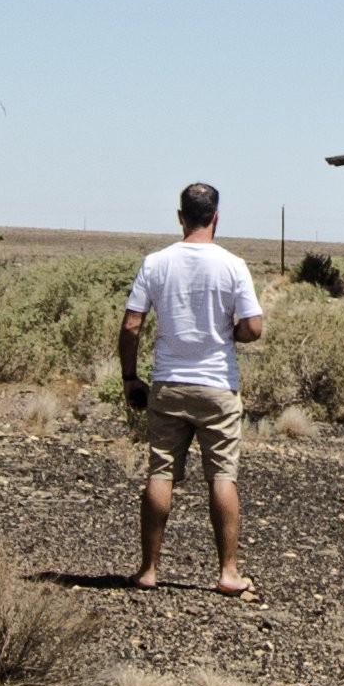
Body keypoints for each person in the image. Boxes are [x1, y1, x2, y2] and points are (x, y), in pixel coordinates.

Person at [121, 181, 266, 593]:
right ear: (215, 217)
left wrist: (131, 378)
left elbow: (132, 324)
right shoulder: (233, 265)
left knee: (161, 471)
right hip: (218, 386)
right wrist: (231, 332)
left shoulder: (155, 263)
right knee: (222, 475)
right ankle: (228, 573)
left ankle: (149, 569)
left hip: (168, 382)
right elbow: (254, 327)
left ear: (180, 217)